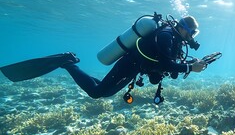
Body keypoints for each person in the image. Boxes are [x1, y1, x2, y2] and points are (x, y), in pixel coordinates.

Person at [62, 16, 207, 99]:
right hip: (129, 64)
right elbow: (166, 65)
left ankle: (69, 63)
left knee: (106, 90)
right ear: (182, 27)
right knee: (96, 92)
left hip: (135, 67)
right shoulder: (166, 36)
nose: (191, 37)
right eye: (191, 33)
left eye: (194, 34)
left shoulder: (174, 39)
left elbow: (170, 64)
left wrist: (191, 63)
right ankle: (68, 63)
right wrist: (190, 67)